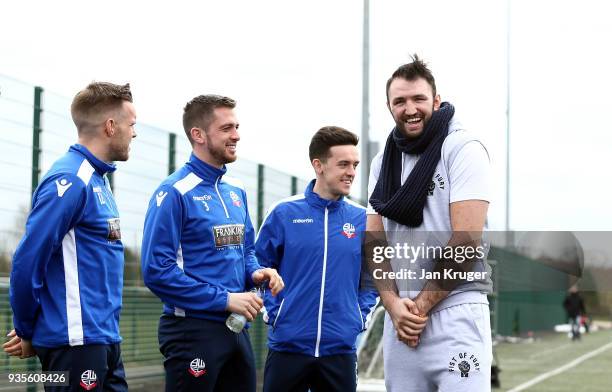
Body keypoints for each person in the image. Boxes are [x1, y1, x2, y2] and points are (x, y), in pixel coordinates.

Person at [366, 55, 493, 391]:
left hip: (456, 313)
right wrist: (393, 306)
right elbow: (374, 243)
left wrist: (417, 310)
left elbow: (466, 243)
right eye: (400, 101)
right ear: (389, 107)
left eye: (419, 99)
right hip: (401, 319)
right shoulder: (382, 162)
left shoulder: (462, 148)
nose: (410, 108)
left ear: (436, 101)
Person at [141, 94, 284, 392]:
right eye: (227, 128)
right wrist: (225, 299)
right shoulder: (174, 192)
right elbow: (157, 271)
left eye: (237, 126)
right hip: (191, 331)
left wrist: (256, 273)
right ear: (198, 135)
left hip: (235, 328)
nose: (236, 135)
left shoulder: (236, 190)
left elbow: (245, 251)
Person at [4, 82, 137, 391]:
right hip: (75, 342)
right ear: (110, 126)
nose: (134, 133)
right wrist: (27, 330)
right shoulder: (70, 180)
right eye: (131, 125)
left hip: (103, 339)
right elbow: (27, 260)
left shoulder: (98, 181)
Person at [255, 126, 379, 392]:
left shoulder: (363, 220)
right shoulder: (284, 213)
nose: (352, 172)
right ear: (318, 165)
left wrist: (359, 316)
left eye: (355, 165)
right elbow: (257, 267)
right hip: (288, 347)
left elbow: (373, 276)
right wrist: (273, 313)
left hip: (340, 350)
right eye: (343, 164)